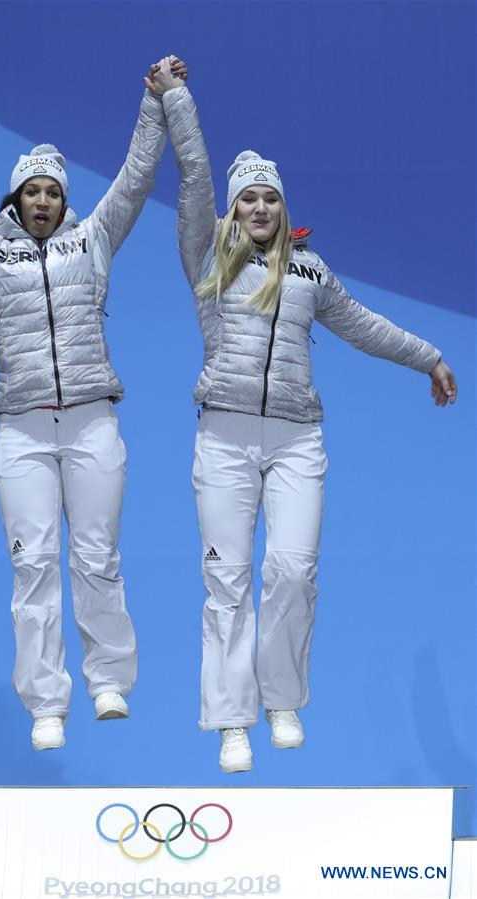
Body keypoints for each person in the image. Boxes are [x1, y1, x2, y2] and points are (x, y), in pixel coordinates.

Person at [147, 58, 458, 773]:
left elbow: (364, 325)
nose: (260, 209)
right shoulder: (207, 255)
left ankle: (281, 700)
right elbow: (193, 178)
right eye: (248, 199)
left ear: (283, 208)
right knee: (227, 582)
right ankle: (232, 721)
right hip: (224, 435)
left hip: (296, 439)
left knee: (291, 571)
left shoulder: (310, 270)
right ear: (234, 209)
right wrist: (178, 98)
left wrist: (430, 357)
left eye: (270, 200)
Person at [0, 60, 186, 750]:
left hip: (91, 421)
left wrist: (154, 104)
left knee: (97, 557)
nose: (45, 200)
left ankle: (109, 681)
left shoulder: (94, 239)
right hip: (21, 430)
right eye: (33, 191)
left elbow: (135, 179)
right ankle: (46, 704)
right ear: (17, 198)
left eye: (54, 191)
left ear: (64, 200)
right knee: (33, 566)